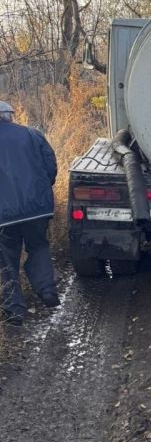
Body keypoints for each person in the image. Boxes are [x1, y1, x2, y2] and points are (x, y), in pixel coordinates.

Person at [0, 101, 59, 326]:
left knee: (7, 259)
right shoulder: (32, 135)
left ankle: (14, 311)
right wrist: (43, 190)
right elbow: (50, 166)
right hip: (37, 209)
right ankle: (47, 290)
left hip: (4, 215)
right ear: (10, 116)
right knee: (38, 246)